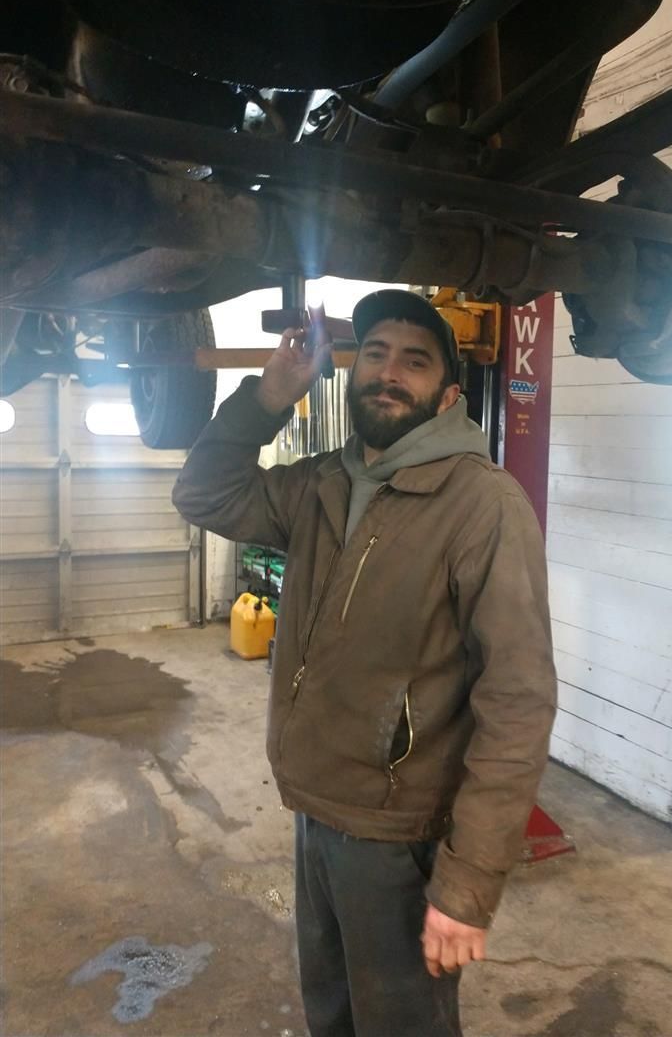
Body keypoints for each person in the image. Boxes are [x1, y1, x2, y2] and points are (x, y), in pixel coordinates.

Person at [173, 288, 557, 1037]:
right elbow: (203, 492)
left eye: (414, 361)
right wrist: (270, 395)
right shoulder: (323, 482)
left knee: (398, 1025)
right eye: (375, 354)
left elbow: (518, 700)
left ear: (447, 392)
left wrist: (469, 883)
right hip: (316, 809)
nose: (389, 372)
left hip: (397, 834)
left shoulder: (483, 505)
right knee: (334, 1014)